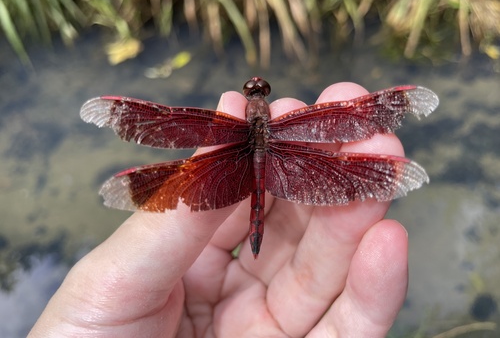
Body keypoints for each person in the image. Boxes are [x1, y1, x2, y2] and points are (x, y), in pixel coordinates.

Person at [29, 82, 408, 337]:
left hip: (239, 164)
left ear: (245, 103)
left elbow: (161, 122)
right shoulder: (281, 124)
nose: (255, 92)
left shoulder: (232, 123)